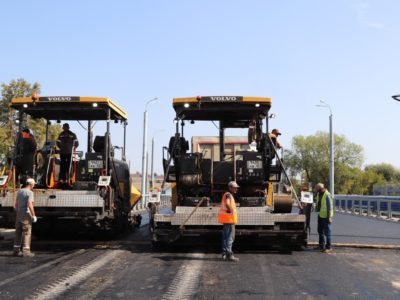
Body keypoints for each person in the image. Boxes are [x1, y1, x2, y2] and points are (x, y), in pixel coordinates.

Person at [13, 178, 37, 257]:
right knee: (27, 232)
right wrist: (33, 215)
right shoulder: (30, 193)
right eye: (33, 184)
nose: (34, 186)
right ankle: (26, 252)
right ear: (31, 184)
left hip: (19, 214)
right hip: (26, 215)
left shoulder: (19, 191)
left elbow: (16, 204)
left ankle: (16, 251)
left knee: (18, 232)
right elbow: (30, 204)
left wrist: (18, 212)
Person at [218, 181, 239, 262]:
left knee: (225, 237)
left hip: (227, 220)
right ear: (230, 187)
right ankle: (229, 255)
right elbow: (227, 203)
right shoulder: (228, 195)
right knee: (230, 237)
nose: (236, 189)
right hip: (229, 220)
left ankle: (224, 253)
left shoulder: (227, 195)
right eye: (235, 187)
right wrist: (230, 210)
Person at [314, 183, 334, 253]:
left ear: (320, 189)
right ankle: (321, 245)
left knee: (327, 232)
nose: (316, 191)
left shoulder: (327, 195)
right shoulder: (319, 194)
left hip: (326, 217)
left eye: (317, 189)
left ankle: (329, 247)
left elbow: (329, 207)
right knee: (320, 231)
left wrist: (329, 217)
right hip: (321, 215)